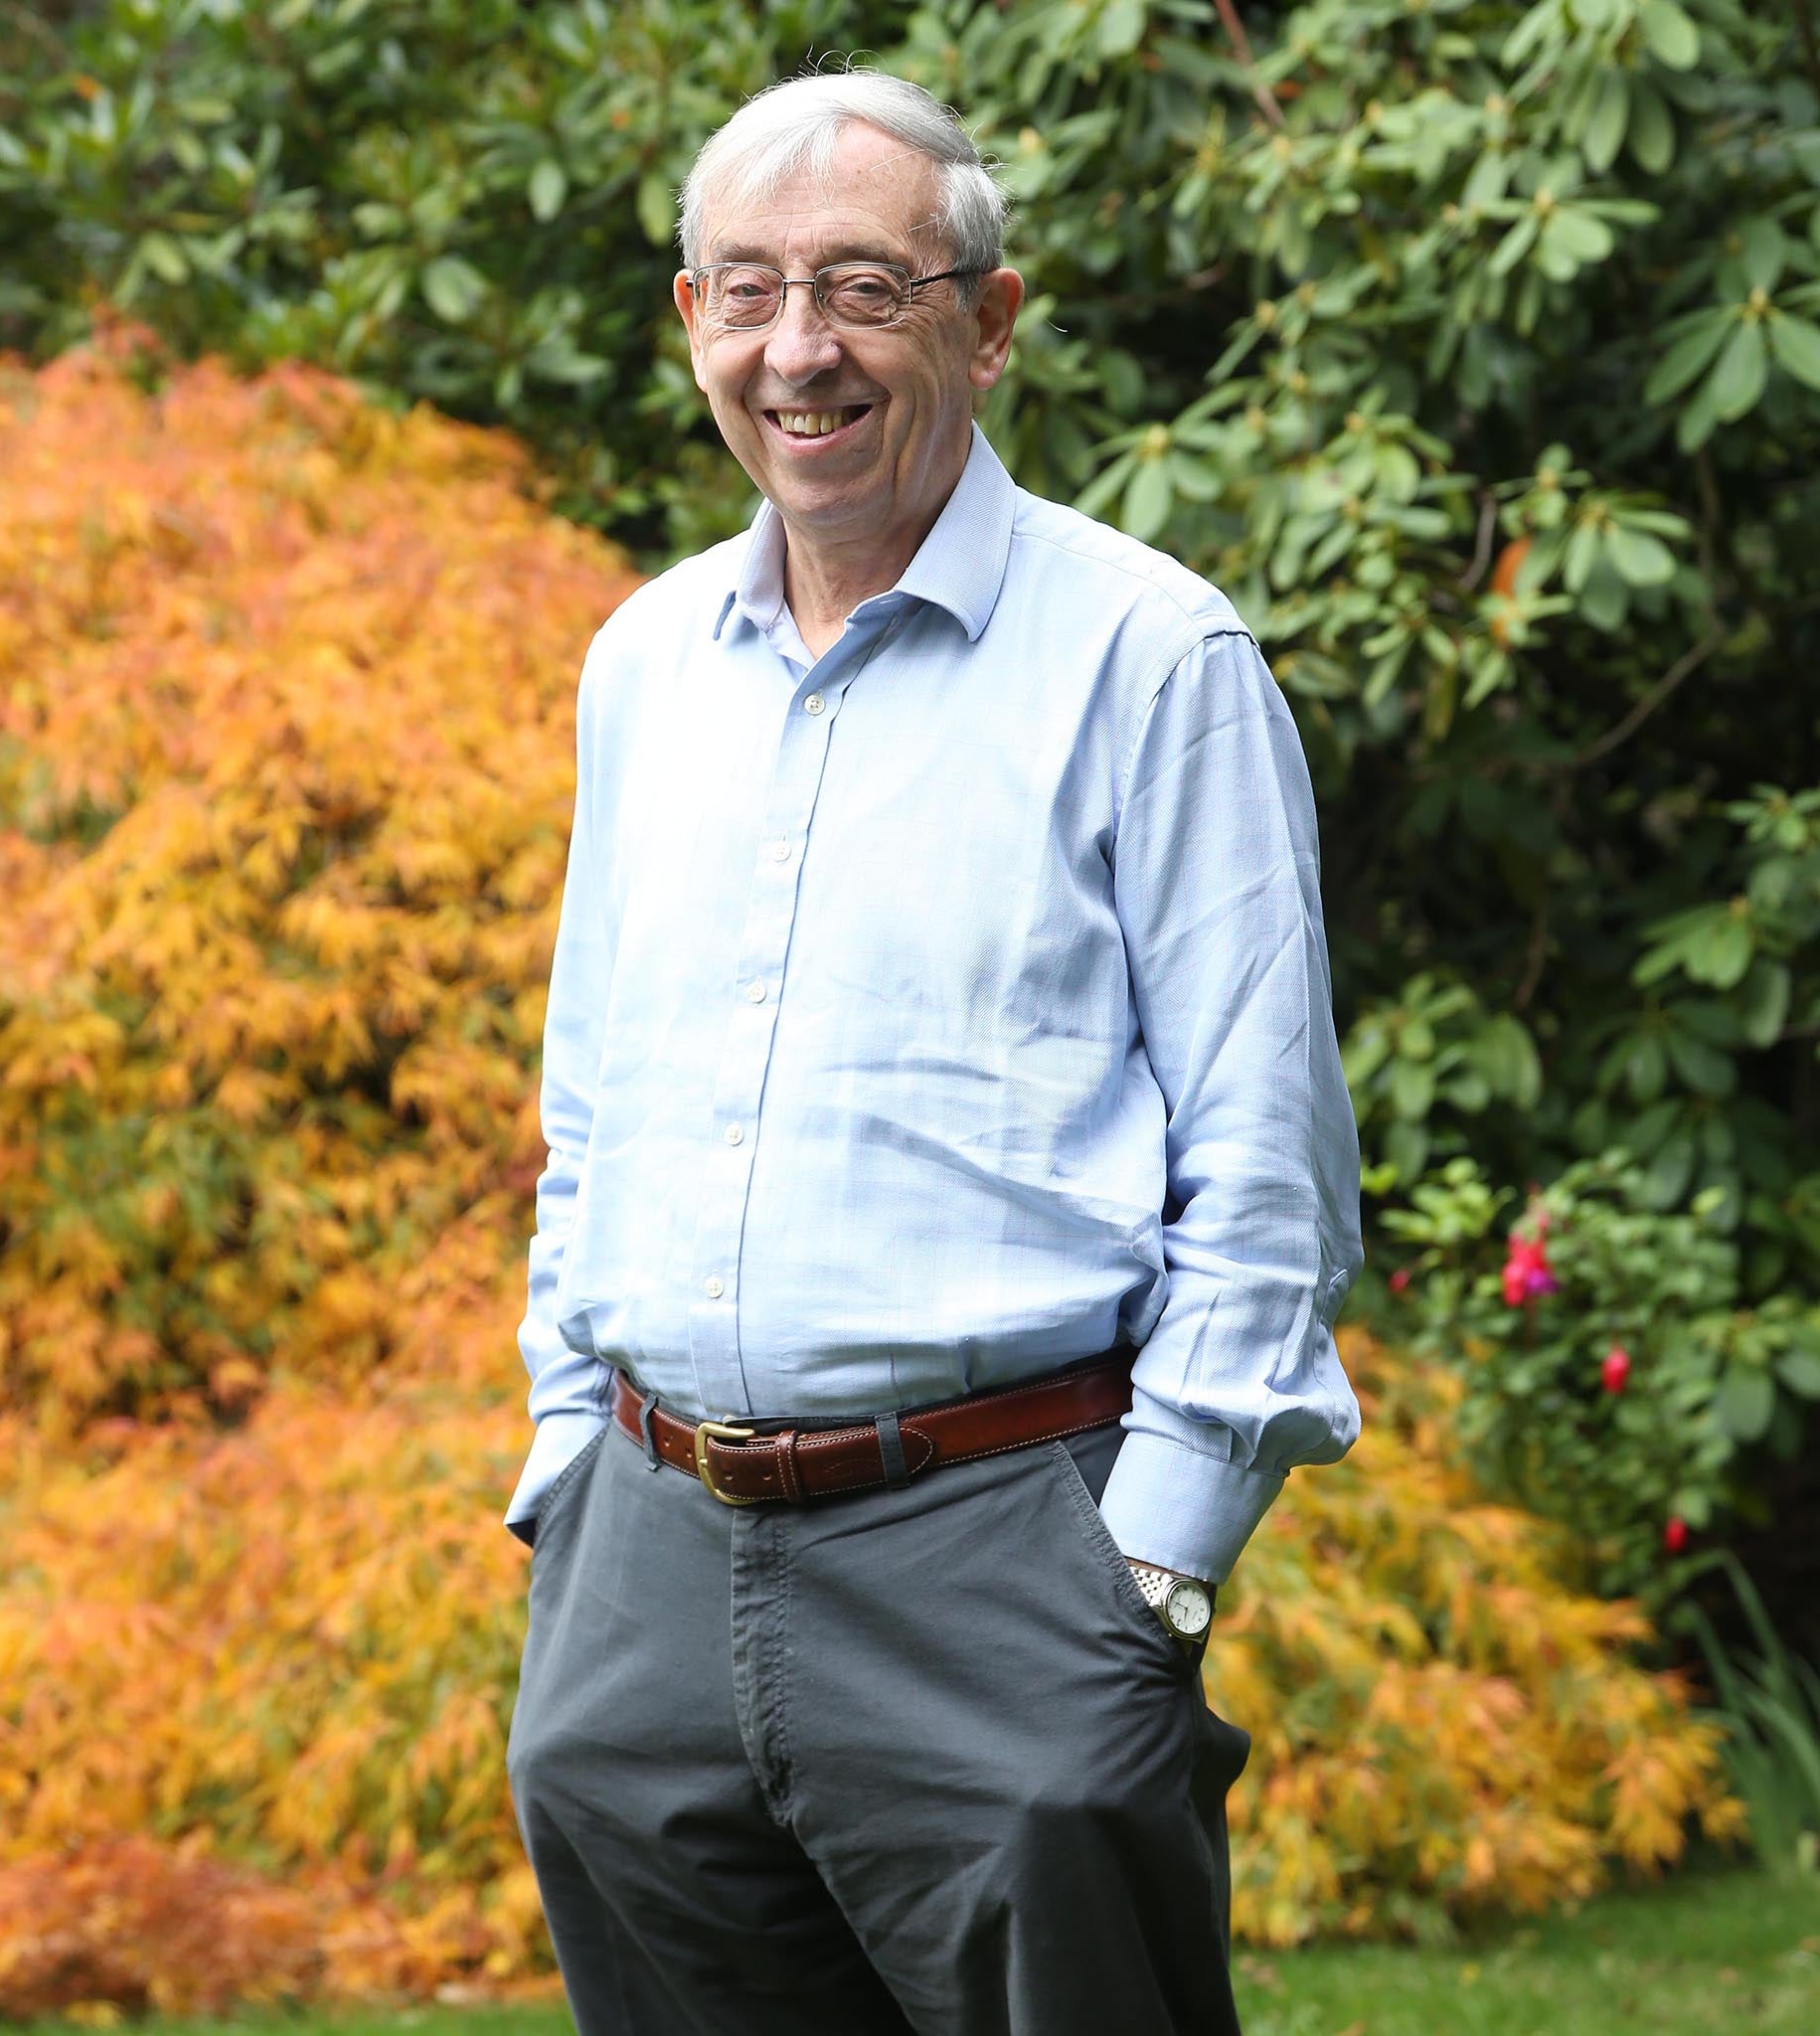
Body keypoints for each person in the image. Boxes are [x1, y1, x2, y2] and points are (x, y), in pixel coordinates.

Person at [501, 66, 1363, 2036]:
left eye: (866, 287)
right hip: (644, 1562)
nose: (797, 347)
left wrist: (1150, 1563)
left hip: (1004, 1555)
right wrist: (567, 1473)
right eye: (748, 286)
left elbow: (1268, 1163)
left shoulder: (1153, 660)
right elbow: (591, 1102)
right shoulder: (641, 667)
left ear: (985, 322)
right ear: (691, 322)